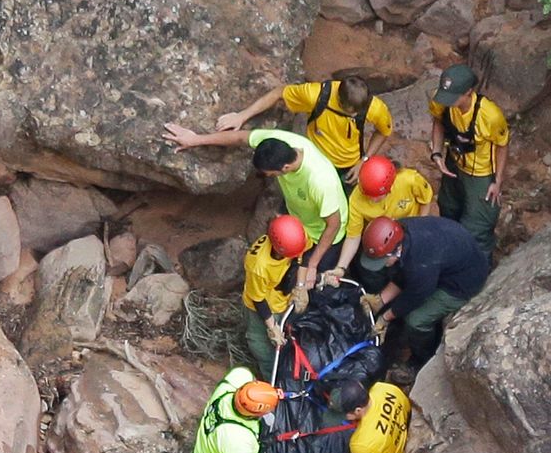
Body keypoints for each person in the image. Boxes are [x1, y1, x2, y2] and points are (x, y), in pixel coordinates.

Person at [163, 124, 347, 302]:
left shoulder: (320, 181)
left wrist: (313, 264)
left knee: (309, 282)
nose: (266, 176)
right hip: (298, 215)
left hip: (323, 232)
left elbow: (333, 224)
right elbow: (240, 137)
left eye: (269, 173)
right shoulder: (278, 143)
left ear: (285, 168)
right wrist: (196, 139)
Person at [359, 215, 488, 371]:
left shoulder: (421, 261)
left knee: (416, 320)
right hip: (443, 263)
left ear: (396, 251)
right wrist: (380, 300)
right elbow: (405, 274)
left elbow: (417, 294)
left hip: (462, 282)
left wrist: (385, 319)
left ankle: (422, 359)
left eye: (382, 260)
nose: (382, 265)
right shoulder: (402, 232)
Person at [216, 76, 393, 190]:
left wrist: (364, 160)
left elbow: (383, 131)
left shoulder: (374, 108)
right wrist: (242, 115)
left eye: (358, 112)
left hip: (348, 165)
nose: (355, 115)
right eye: (351, 112)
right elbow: (280, 93)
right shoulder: (316, 95)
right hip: (313, 159)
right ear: (339, 101)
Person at [428, 64, 509, 258]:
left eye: (453, 98)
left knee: (477, 226)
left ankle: (480, 265)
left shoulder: (490, 116)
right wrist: (437, 153)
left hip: (480, 172)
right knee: (448, 209)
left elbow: (502, 146)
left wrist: (497, 181)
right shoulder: (442, 102)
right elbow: (438, 121)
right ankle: (450, 256)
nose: (447, 102)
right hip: (454, 163)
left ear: (468, 92)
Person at [323, 156, 433, 291]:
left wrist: (420, 229)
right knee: (368, 271)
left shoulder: (409, 180)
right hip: (380, 239)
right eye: (368, 195)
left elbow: (425, 200)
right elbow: (353, 236)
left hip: (409, 232)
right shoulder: (356, 200)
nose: (373, 200)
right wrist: (340, 268)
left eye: (377, 196)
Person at [243, 214, 307, 379]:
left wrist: (300, 286)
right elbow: (258, 299)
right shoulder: (258, 265)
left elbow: (302, 257)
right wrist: (272, 327)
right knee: (264, 351)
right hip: (262, 306)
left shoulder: (295, 238)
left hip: (282, 298)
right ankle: (273, 380)